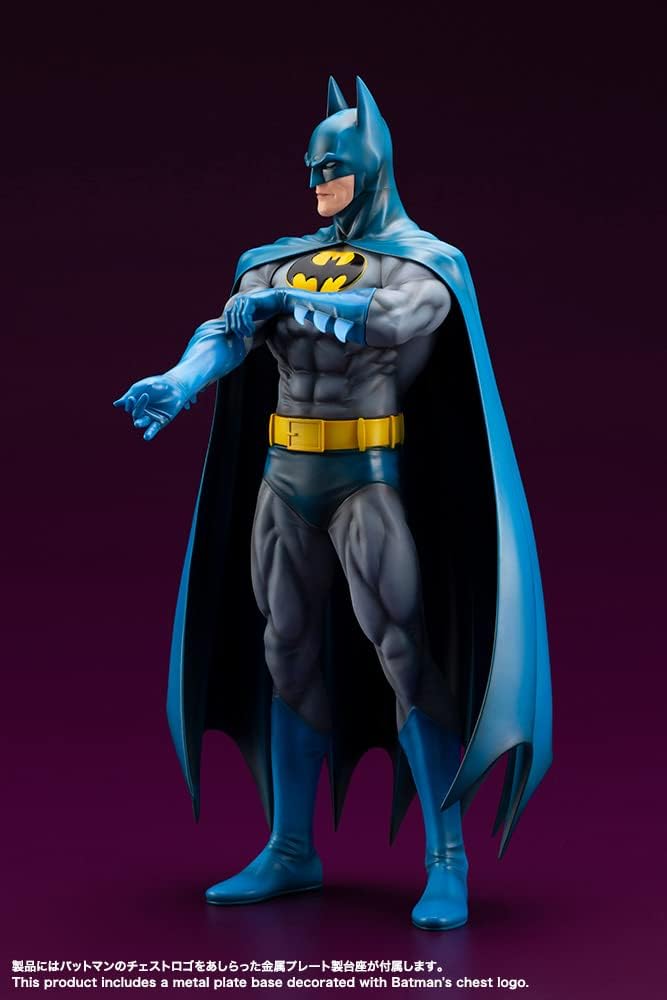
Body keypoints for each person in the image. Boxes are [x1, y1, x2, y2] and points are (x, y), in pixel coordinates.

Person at [115, 77, 552, 931]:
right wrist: (181, 379)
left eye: (332, 168)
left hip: (365, 478)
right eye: (310, 168)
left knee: (401, 649)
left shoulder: (425, 261)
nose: (316, 183)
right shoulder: (275, 259)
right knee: (283, 649)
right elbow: (227, 330)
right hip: (284, 478)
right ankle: (291, 847)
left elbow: (388, 320)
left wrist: (290, 302)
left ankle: (446, 859)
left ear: (372, 166)